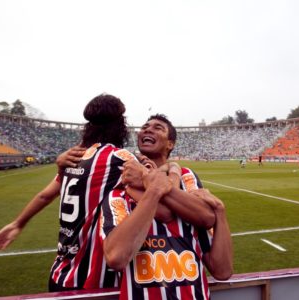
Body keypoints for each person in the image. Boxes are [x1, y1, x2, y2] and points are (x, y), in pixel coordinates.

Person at [0, 94, 133, 291]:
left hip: (60, 275)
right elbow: (157, 186)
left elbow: (45, 195)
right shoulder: (119, 158)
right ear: (119, 124)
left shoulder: (75, 157)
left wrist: (18, 223)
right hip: (96, 281)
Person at [100, 114, 233, 299]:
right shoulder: (120, 191)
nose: (148, 129)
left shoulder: (187, 178)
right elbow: (116, 257)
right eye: (145, 126)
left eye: (158, 127)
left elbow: (208, 221)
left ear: (170, 144)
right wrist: (155, 184)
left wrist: (150, 179)